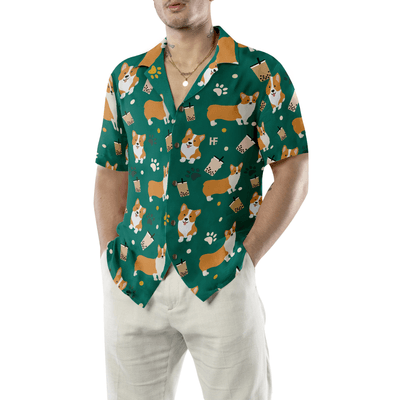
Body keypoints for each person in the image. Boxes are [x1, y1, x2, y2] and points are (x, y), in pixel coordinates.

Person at [93, 1, 309, 399]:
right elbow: (111, 172)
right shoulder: (125, 77)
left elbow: (293, 168)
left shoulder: (260, 72)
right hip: (134, 281)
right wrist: (110, 255)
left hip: (221, 279)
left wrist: (246, 260)